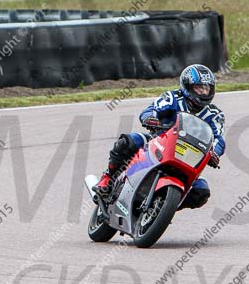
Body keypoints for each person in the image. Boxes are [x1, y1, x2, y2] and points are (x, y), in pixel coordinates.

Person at [93, 64, 225, 210]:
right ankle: (108, 179)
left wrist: (214, 152)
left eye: (207, 88)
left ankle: (163, 207)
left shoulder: (214, 115)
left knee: (202, 191)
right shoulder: (172, 97)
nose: (204, 92)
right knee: (128, 141)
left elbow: (219, 139)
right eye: (199, 87)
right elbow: (150, 110)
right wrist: (151, 118)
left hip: (189, 157)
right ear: (188, 86)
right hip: (158, 142)